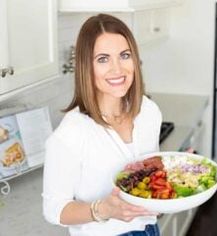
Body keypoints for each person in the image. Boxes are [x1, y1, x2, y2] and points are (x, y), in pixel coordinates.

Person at [42, 13, 162, 236]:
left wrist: (170, 176)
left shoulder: (148, 111)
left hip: (149, 229)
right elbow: (54, 210)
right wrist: (102, 210)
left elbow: (148, 173)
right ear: (86, 67)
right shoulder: (71, 134)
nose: (117, 69)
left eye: (124, 55)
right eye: (103, 59)